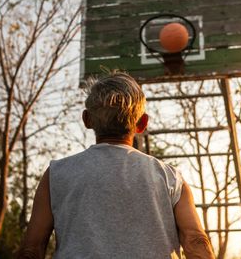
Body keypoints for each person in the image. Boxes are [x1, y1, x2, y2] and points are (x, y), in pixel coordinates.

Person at [18, 72, 215, 259]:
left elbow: (32, 250)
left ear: (87, 120)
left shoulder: (56, 175)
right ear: (142, 123)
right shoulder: (170, 178)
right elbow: (195, 241)